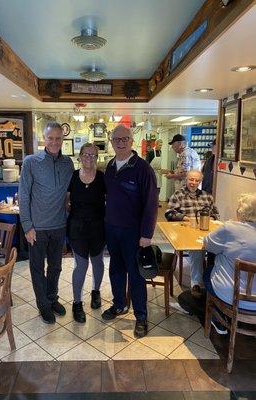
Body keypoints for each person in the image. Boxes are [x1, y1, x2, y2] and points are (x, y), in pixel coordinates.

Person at [102, 125, 158, 338]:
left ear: (132, 141)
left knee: (136, 275)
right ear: (112, 142)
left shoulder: (143, 168)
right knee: (116, 270)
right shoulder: (110, 166)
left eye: (125, 139)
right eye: (117, 139)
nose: (121, 142)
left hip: (134, 233)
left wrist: (146, 234)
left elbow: (151, 204)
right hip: (112, 229)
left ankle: (141, 317)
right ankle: (119, 305)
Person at [19, 122, 74, 324]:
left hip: (59, 226)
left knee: (56, 267)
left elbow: (68, 192)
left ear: (62, 140)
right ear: (44, 139)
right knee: (36, 268)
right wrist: (27, 226)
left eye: (58, 138)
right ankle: (43, 305)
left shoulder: (68, 163)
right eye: (51, 138)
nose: (54, 142)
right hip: (37, 228)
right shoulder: (31, 162)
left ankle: (52, 299)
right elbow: (23, 194)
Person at [203, 193, 256, 333]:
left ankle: (218, 317)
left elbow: (208, 245)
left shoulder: (230, 228)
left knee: (208, 272)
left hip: (231, 297)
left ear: (241, 210)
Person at [165, 170, 219, 299]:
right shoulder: (178, 195)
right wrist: (185, 218)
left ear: (200, 182)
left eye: (196, 180)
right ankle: (196, 284)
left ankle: (215, 282)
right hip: (185, 232)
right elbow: (169, 213)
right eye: (191, 180)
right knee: (197, 249)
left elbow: (216, 214)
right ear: (186, 179)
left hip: (205, 230)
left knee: (219, 249)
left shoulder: (207, 196)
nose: (193, 183)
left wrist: (211, 218)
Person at [67, 143, 106, 323]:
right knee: (81, 265)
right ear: (80, 157)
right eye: (86, 154)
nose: (89, 158)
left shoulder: (102, 177)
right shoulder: (73, 177)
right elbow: (65, 201)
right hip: (77, 228)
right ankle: (77, 303)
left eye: (93, 155)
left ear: (97, 158)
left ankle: (96, 291)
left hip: (98, 227)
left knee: (97, 261)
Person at [146, 139, 163, 207]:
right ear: (156, 144)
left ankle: (156, 202)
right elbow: (147, 164)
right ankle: (150, 203)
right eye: (159, 145)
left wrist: (161, 170)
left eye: (161, 145)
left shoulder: (160, 152)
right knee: (152, 188)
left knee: (158, 188)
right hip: (151, 172)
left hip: (158, 172)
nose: (161, 146)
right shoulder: (150, 152)